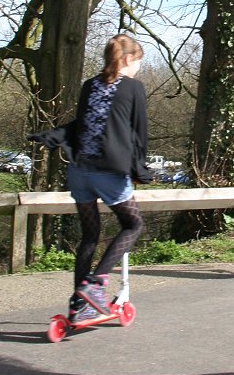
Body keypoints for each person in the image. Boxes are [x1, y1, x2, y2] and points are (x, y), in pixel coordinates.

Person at [29, 34, 149, 324]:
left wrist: (52, 135)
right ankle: (95, 285)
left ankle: (78, 305)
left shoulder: (89, 85)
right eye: (138, 63)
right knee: (133, 224)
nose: (138, 69)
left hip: (79, 171)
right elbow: (139, 133)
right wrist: (141, 171)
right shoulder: (133, 88)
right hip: (109, 172)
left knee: (89, 236)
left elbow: (78, 126)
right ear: (128, 59)